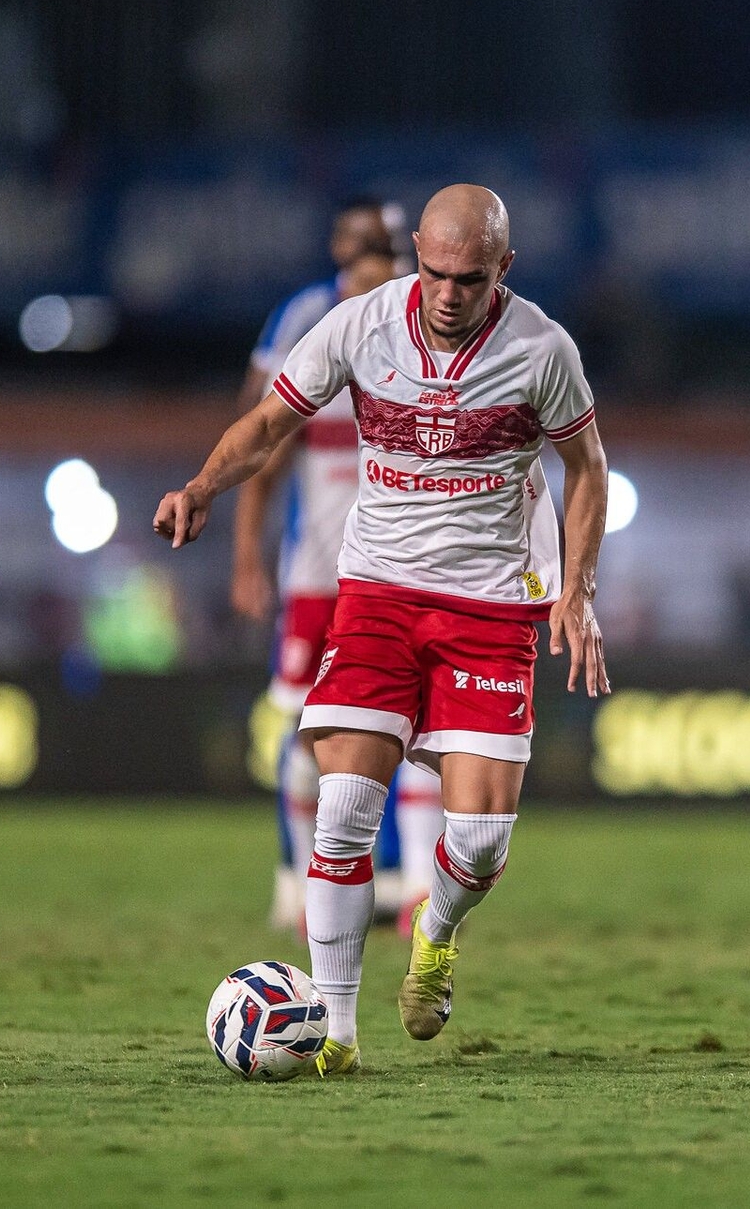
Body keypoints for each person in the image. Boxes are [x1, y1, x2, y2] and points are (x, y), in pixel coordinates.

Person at [157, 184, 611, 1077]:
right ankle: (336, 1034)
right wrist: (202, 487)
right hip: (378, 595)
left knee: (479, 842)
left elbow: (587, 468)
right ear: (418, 262)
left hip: (490, 606)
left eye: (469, 280)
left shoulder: (542, 349)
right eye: (435, 273)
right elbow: (270, 422)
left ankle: (436, 928)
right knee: (342, 810)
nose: (447, 294)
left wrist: (579, 589)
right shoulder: (360, 326)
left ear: (504, 270)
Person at [235, 240, 445, 937]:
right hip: (317, 584)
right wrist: (246, 559)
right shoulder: (314, 376)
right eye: (357, 291)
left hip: (397, 582)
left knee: (418, 730)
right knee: (307, 737)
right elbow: (262, 466)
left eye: (382, 292)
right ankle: (301, 888)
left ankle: (419, 890)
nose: (368, 305)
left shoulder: (425, 381)